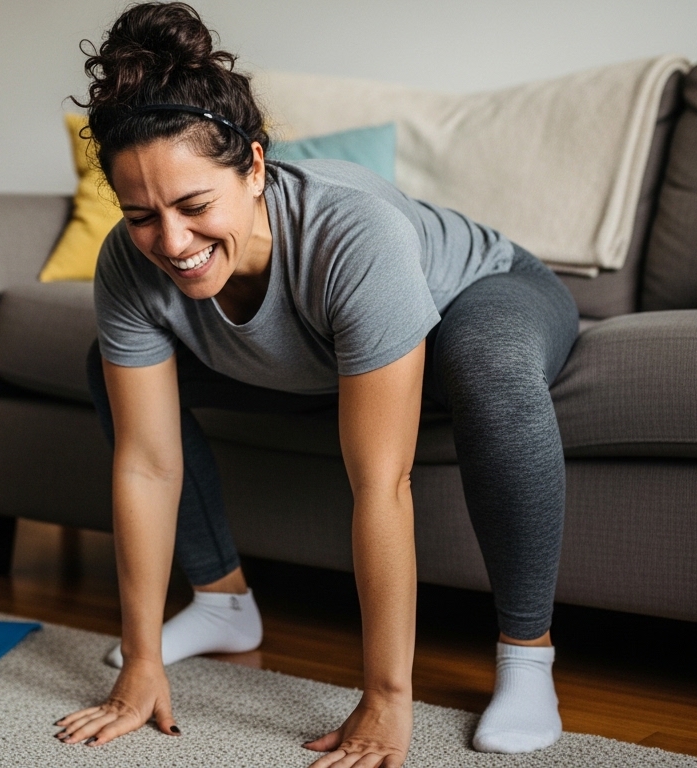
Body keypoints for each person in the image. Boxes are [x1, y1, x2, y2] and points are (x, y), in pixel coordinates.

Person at [53, 3, 579, 764]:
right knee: (106, 366)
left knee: (487, 365)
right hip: (320, 354)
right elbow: (146, 462)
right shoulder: (129, 265)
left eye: (196, 206)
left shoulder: (351, 234)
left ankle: (528, 658)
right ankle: (223, 602)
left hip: (483, 292)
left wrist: (387, 698)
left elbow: (381, 483)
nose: (171, 242)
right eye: (142, 215)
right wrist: (141, 664)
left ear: (257, 167)